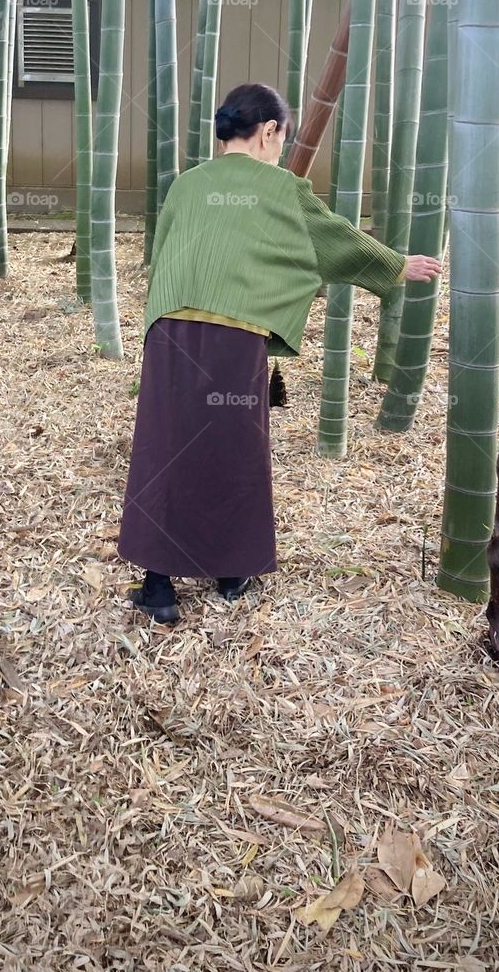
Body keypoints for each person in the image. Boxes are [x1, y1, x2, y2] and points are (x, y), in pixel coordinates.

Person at [119, 82, 442, 624]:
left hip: (169, 332)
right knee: (232, 448)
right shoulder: (282, 189)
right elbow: (330, 240)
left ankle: (158, 587)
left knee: (164, 448)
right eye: (281, 137)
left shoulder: (184, 186)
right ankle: (229, 572)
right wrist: (395, 266)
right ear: (268, 130)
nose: (281, 149)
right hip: (235, 335)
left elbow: (165, 253)